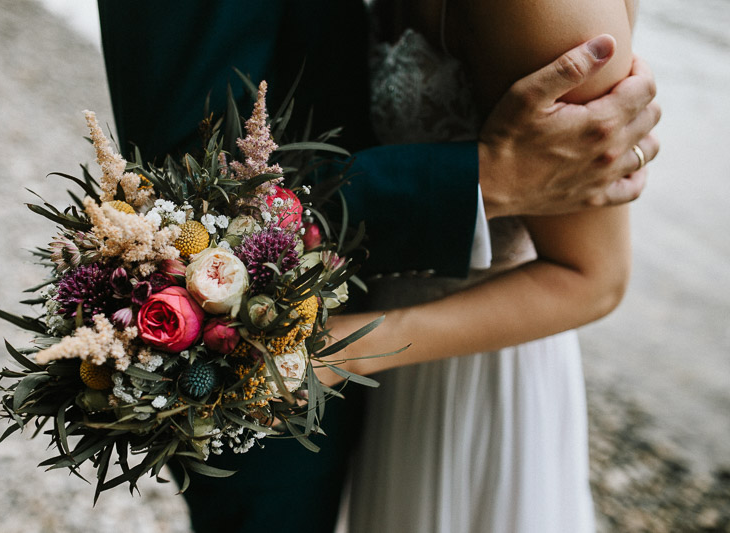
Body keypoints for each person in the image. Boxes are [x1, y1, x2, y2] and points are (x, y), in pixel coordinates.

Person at [96, 2, 659, 532]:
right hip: (365, 358)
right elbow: (191, 169)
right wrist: (480, 179)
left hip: (458, 364)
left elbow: (596, 278)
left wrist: (344, 351)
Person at [319, 0, 652, 531]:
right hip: (391, 356)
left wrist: (340, 351)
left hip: (478, 358)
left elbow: (594, 280)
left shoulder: (543, 9)